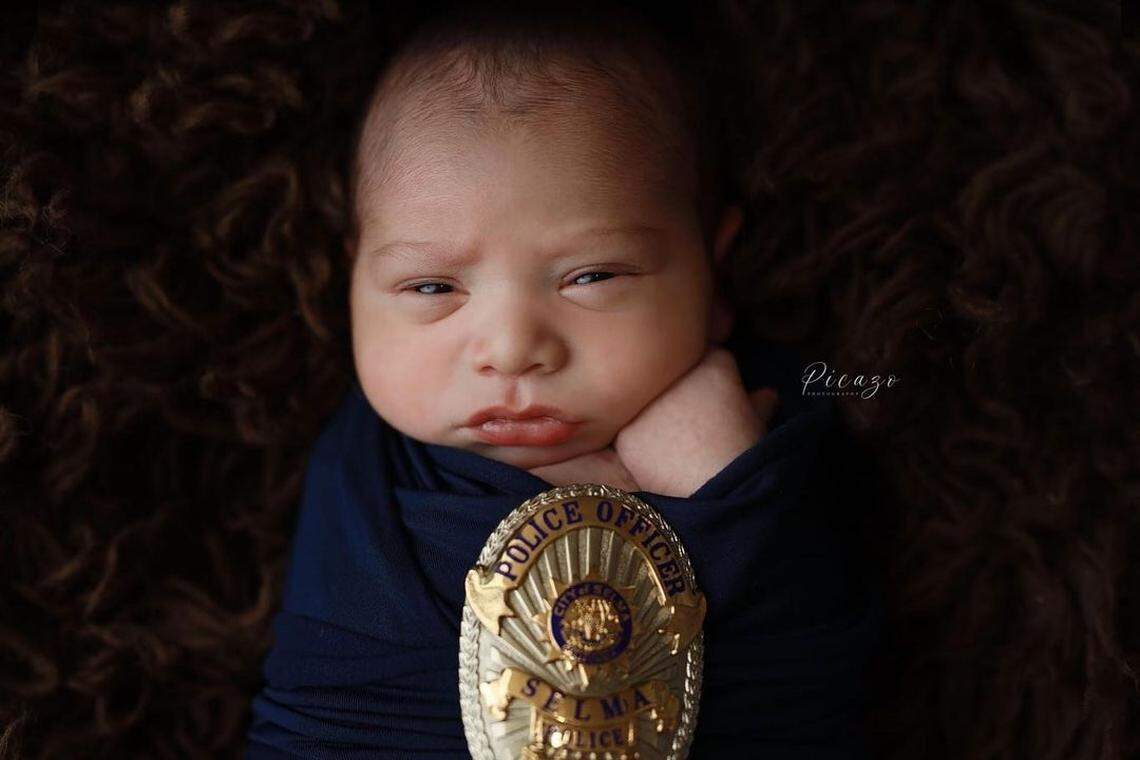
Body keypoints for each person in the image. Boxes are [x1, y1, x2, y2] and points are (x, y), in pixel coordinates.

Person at [246, 1, 883, 756]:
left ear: (711, 269)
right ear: (354, 274)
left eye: (591, 276)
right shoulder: (363, 481)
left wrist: (731, 496)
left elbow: (817, 688)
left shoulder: (783, 435)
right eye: (431, 288)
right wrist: (687, 524)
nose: (513, 349)